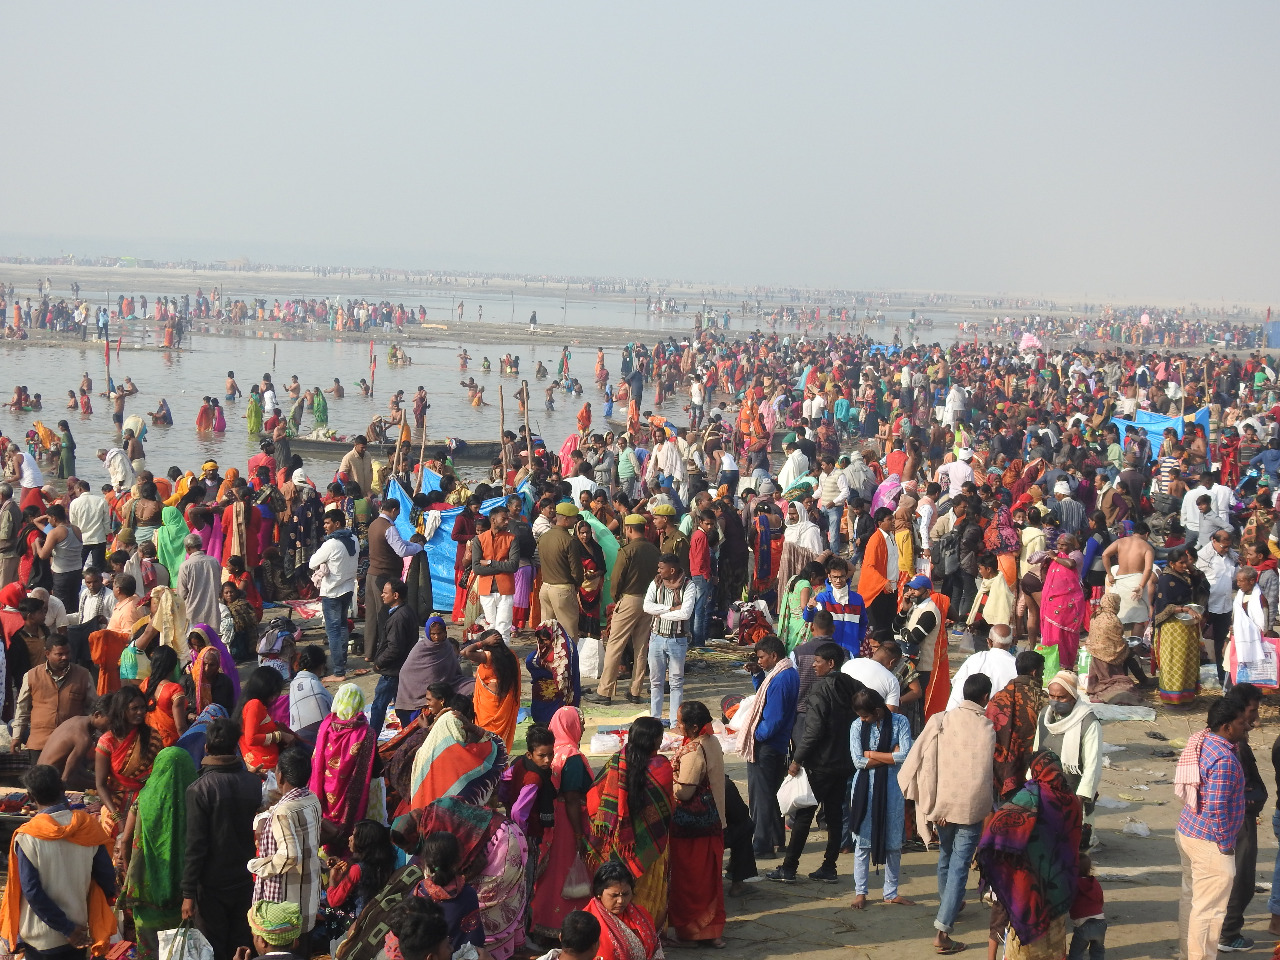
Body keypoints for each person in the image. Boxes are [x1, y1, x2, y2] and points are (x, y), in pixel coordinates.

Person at [899, 674, 996, 954]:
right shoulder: (986, 727)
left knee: (946, 857)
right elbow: (980, 774)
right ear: (985, 698)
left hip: (941, 805)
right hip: (970, 808)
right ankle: (942, 932)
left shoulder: (941, 719)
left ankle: (948, 906)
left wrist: (936, 804)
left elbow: (930, 765)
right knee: (959, 866)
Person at [0, 764, 116, 960]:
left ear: (31, 797)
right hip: (78, 931)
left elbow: (32, 892)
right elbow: (106, 878)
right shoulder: (88, 828)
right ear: (63, 789)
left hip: (41, 938)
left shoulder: (28, 837)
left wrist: (67, 929)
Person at [977, 751, 1082, 960]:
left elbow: (998, 829)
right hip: (1059, 885)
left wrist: (988, 855)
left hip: (1029, 885)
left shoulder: (1031, 796)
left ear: (1035, 770)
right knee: (1055, 937)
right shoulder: (1071, 800)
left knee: (1025, 947)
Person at [768, 642, 856, 885]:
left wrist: (797, 759)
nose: (814, 665)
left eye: (818, 661)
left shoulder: (820, 691)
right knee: (835, 815)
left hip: (820, 763)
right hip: (844, 761)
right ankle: (829, 867)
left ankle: (789, 868)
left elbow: (813, 731)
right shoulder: (853, 686)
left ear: (831, 663)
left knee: (804, 814)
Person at [1175, 698, 1249, 960]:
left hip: (1188, 830)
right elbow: (1216, 807)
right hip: (1209, 841)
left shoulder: (1203, 740)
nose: (1247, 727)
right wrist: (1224, 844)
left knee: (1194, 902)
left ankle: (1189, 953)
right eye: (1242, 723)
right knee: (1210, 912)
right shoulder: (1225, 759)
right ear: (1227, 727)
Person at [585, 716, 674, 931]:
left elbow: (594, 799)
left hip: (617, 845)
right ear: (653, 741)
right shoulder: (662, 766)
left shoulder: (616, 762)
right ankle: (645, 935)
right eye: (660, 738)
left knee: (618, 894)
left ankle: (616, 935)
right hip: (650, 844)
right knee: (648, 894)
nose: (661, 743)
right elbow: (668, 808)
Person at [118, 746, 199, 959]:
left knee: (150, 951)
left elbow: (125, 840)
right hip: (184, 898)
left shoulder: (143, 800)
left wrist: (129, 871)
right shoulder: (195, 803)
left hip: (146, 894)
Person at [530, 707, 594, 941]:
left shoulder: (550, 751)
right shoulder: (572, 757)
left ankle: (541, 921)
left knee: (551, 874)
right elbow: (573, 798)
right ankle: (568, 927)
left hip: (551, 818)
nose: (584, 728)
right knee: (568, 870)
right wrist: (579, 835)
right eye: (581, 723)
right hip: (569, 821)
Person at [848, 687, 915, 909]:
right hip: (864, 790)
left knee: (893, 843)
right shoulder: (857, 725)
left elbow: (907, 754)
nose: (863, 720)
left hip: (892, 789)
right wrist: (890, 755)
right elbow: (858, 762)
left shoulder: (900, 721)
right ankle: (860, 892)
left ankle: (891, 891)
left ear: (877, 711)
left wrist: (871, 754)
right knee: (862, 842)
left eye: (866, 715)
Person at [668, 700, 726, 946]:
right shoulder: (712, 743)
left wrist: (667, 782)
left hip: (691, 828)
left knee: (690, 879)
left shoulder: (693, 750)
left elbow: (684, 792)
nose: (677, 726)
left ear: (691, 727)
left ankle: (692, 931)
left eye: (680, 722)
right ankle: (711, 931)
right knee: (710, 879)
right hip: (713, 822)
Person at [248, 748, 322, 939]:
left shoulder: (283, 812)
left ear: (280, 777)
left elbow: (290, 855)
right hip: (308, 892)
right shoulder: (312, 799)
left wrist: (259, 866)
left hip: (286, 901)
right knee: (303, 944)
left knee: (284, 945)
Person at [736, 635, 798, 859]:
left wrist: (755, 734)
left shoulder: (782, 679)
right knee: (771, 796)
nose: (759, 660)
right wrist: (757, 674)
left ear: (774, 656)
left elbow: (773, 719)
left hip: (768, 745)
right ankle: (775, 840)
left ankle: (762, 844)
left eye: (762, 658)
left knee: (761, 798)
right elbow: (767, 695)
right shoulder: (783, 674)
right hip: (776, 744)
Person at [587, 514, 658, 706]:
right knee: (642, 648)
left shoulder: (627, 550)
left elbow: (616, 579)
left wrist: (616, 600)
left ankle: (605, 692)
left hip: (629, 599)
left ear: (628, 529)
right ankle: (635, 691)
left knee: (614, 645)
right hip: (648, 601)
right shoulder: (654, 550)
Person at [1219, 683, 1265, 953]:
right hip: (1238, 819)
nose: (1254, 717)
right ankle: (1228, 933)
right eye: (1251, 710)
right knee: (1241, 878)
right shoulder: (1231, 745)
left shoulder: (1232, 739)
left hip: (1240, 817)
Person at [310, 684, 378, 859]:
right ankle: (346, 857)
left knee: (325, 820)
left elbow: (316, 758)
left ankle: (325, 853)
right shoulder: (365, 732)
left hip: (325, 787)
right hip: (348, 791)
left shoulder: (326, 725)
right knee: (347, 823)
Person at [12, 635, 94, 760]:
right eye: (59, 654)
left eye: (67, 653)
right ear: (47, 654)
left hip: (72, 744)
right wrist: (16, 737)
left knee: (70, 778)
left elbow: (93, 709)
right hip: (39, 743)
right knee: (41, 779)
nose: (65, 657)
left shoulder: (83, 675)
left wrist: (95, 737)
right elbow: (22, 710)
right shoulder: (31, 675)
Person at [94, 686, 159, 838]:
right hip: (115, 806)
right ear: (122, 710)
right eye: (134, 708)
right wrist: (118, 818)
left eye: (143, 707)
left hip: (146, 803)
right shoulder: (107, 741)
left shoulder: (153, 737)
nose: (140, 712)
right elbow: (100, 784)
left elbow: (158, 775)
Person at [643, 553, 695, 726]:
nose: (658, 570)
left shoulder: (688, 585)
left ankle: (674, 723)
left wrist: (660, 612)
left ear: (672, 570)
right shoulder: (656, 582)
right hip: (656, 638)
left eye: (661, 568)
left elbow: (685, 613)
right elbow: (646, 606)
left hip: (677, 640)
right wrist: (671, 609)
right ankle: (655, 720)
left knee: (676, 683)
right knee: (655, 682)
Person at [1152, 546, 1206, 704]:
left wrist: (1189, 566)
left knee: (1188, 660)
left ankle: (1186, 696)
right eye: (1181, 563)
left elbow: (1199, 581)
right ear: (1171, 563)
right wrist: (1184, 609)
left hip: (1186, 626)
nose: (1184, 565)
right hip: (1172, 627)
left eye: (1186, 562)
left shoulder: (1183, 575)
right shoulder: (1166, 580)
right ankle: (1172, 698)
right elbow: (1164, 605)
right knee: (1175, 660)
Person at [309, 508, 358, 681]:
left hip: (332, 592)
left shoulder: (331, 544)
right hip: (347, 589)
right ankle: (342, 662)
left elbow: (312, 562)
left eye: (327, 523)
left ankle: (338, 671)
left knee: (334, 632)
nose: (325, 526)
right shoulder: (353, 538)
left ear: (337, 524)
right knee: (343, 626)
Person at [583, 861, 663, 960]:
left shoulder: (642, 915)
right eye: (614, 895)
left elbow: (655, 949)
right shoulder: (586, 921)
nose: (621, 901)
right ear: (599, 893)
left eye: (625, 894)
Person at [371, 578, 418, 738]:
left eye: (385, 592)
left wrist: (379, 662)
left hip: (392, 670)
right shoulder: (405, 611)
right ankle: (410, 736)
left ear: (396, 595)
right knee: (402, 707)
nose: (382, 595)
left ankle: (371, 739)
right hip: (401, 668)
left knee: (379, 706)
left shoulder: (399, 617)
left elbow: (394, 648)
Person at [464, 629, 522, 750]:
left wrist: (483, 642)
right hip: (504, 703)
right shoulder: (511, 655)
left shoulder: (488, 657)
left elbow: (465, 652)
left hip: (488, 706)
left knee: (485, 738)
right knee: (498, 741)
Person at [37, 697, 111, 791]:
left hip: (38, 778)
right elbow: (68, 778)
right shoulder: (83, 738)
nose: (111, 727)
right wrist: (104, 787)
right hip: (47, 786)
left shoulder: (75, 720)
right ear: (97, 715)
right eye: (110, 722)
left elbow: (76, 769)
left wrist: (101, 781)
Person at [236, 666, 297, 772]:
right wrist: (280, 735)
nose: (277, 695)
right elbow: (251, 739)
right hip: (263, 767)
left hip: (266, 762)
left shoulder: (256, 705)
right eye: (276, 691)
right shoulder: (254, 705)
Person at [947, 623, 1017, 711]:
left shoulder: (976, 659)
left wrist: (949, 717)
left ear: (989, 642)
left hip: (974, 717)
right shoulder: (1017, 665)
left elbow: (958, 693)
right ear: (1013, 642)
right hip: (1006, 719)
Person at [526, 620, 581, 725]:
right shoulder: (544, 645)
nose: (544, 643)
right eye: (541, 640)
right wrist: (546, 665)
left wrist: (551, 668)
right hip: (544, 684)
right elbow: (530, 660)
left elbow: (564, 672)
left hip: (560, 688)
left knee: (557, 720)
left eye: (546, 640)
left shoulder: (565, 649)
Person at [140, 645, 187, 748]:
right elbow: (180, 728)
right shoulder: (175, 689)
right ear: (173, 667)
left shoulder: (145, 684)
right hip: (168, 745)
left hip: (147, 741)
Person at [177, 533, 223, 634]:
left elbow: (181, 594)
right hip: (212, 614)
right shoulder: (214, 561)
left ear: (187, 548)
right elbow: (219, 588)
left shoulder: (185, 566)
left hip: (192, 615)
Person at [1069, 855, 1107, 960]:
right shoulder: (1095, 883)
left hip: (1082, 925)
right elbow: (1101, 900)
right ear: (1089, 868)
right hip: (1100, 923)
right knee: (1098, 953)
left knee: (1076, 954)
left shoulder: (1073, 884)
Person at [288, 645, 332, 734]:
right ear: (321, 666)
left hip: (296, 736)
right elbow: (335, 712)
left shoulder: (293, 683)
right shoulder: (315, 685)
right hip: (315, 740)